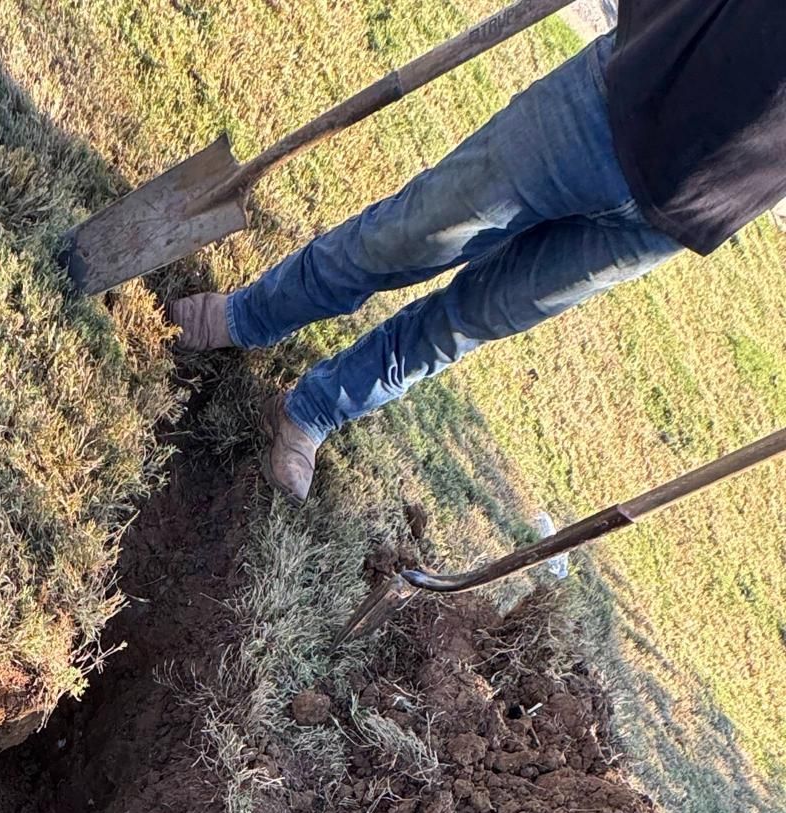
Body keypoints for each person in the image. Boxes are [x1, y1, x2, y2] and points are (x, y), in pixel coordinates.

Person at [170, 2, 786, 501]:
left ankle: (313, 411)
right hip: (610, 100)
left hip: (685, 210)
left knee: (471, 321)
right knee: (409, 236)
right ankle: (244, 317)